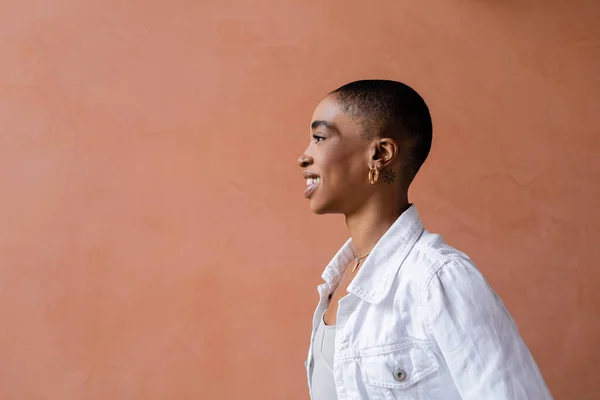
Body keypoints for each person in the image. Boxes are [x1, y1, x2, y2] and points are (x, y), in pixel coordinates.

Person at [297, 80, 552, 399]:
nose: (303, 157)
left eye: (319, 138)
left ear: (380, 153)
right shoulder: (337, 284)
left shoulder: (438, 280)